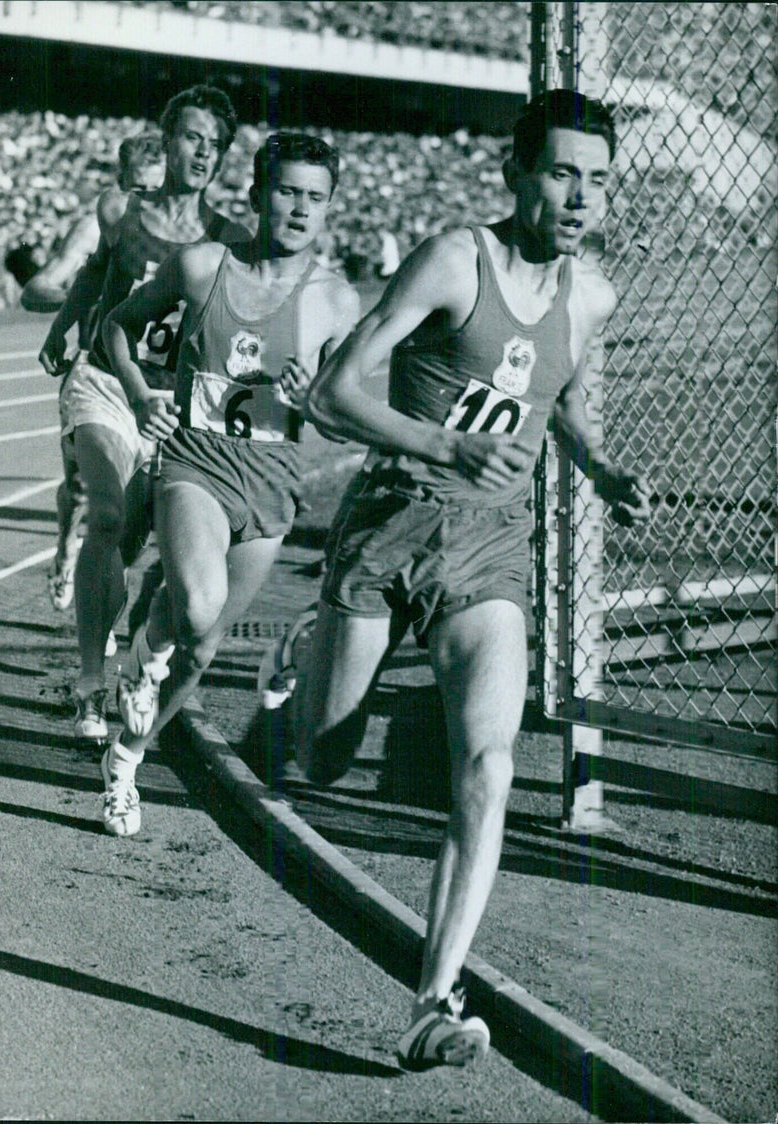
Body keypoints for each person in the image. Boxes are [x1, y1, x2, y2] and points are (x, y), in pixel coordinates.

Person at [300, 89, 651, 1070]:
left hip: (489, 550)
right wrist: (439, 443)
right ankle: (299, 652)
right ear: (514, 172)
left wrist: (603, 471)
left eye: (596, 179)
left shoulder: (593, 296)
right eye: (559, 173)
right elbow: (334, 392)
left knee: (486, 764)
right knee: (322, 758)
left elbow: (558, 403)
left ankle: (431, 996)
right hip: (387, 530)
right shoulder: (458, 259)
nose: (578, 196)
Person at [100, 131, 360, 837]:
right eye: (286, 192)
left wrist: (317, 405)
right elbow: (116, 328)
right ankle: (144, 655)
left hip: (272, 486)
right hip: (195, 463)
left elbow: (347, 420)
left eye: (316, 197)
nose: (300, 209)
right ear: (256, 195)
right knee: (198, 606)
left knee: (206, 647)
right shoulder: (201, 266)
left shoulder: (336, 301)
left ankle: (127, 758)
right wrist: (138, 391)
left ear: (329, 207)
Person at [37, 86, 248, 744]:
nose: (202, 151)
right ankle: (89, 683)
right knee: (104, 513)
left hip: (172, 409)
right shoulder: (119, 208)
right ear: (166, 138)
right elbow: (93, 273)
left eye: (214, 143)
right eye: (191, 136)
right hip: (105, 381)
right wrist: (64, 327)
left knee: (126, 545)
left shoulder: (230, 240)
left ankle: (130, 665)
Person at [24, 132, 165, 617]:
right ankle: (66, 546)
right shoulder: (101, 223)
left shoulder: (187, 227)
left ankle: (101, 599)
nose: (145, 198)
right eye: (137, 187)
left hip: (157, 382)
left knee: (137, 507)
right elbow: (41, 285)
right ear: (121, 182)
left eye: (156, 187)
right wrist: (81, 302)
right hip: (100, 375)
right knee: (85, 491)